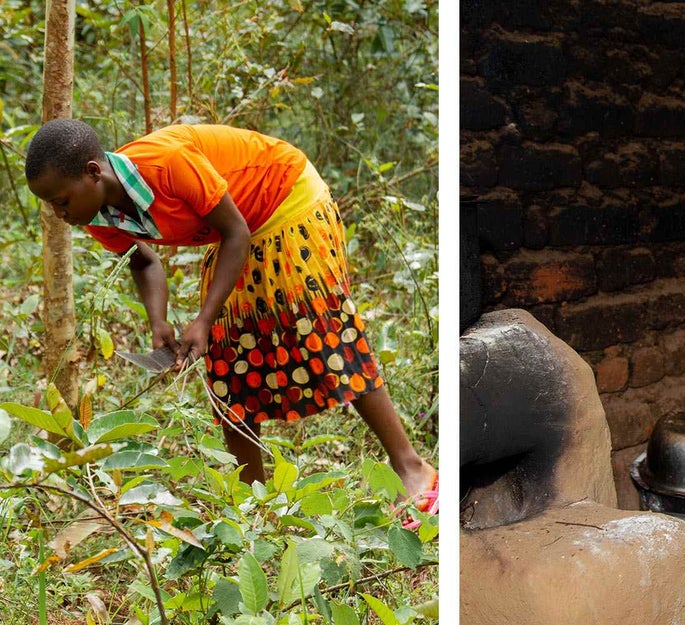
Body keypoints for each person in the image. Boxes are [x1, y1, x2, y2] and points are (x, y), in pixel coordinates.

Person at [24, 121, 438, 521]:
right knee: (226, 355)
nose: (59, 213)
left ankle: (411, 467)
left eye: (62, 201)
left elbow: (235, 231)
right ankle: (251, 501)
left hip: (285, 198)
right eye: (52, 205)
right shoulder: (97, 213)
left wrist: (203, 318)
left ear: (93, 173)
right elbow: (143, 262)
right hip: (237, 228)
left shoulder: (167, 163)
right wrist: (158, 322)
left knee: (321, 329)